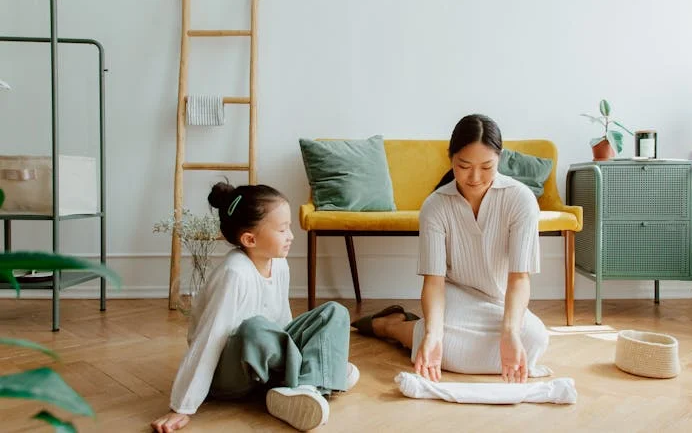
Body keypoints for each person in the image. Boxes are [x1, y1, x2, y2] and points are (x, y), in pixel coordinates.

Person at [351, 114, 550, 384]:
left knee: (534, 339)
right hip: (456, 297)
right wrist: (433, 334)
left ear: (500, 159)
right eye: (464, 166)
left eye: (487, 166)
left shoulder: (520, 199)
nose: (475, 178)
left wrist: (510, 332)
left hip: (500, 300)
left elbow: (519, 278)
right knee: (440, 342)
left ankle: (420, 331)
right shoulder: (435, 206)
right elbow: (434, 283)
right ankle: (391, 326)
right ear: (451, 158)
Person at [152, 182, 359, 432]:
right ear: (250, 239)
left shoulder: (279, 263)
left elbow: (283, 324)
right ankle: (318, 376)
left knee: (335, 312)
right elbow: (209, 339)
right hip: (229, 375)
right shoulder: (234, 273)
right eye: (283, 230)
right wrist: (182, 406)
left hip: (263, 364)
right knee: (256, 328)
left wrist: (300, 346)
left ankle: (307, 387)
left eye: (289, 228)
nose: (291, 236)